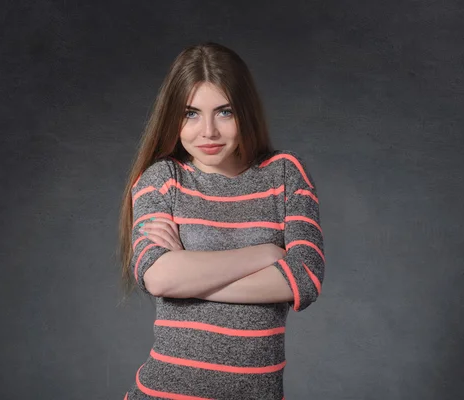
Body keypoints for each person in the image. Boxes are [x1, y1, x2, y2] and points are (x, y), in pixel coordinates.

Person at [118, 42, 325, 400]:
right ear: (173, 117)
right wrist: (265, 255)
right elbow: (158, 276)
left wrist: (188, 277)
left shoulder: (285, 173)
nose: (208, 131)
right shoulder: (162, 179)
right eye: (191, 113)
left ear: (245, 111)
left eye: (225, 112)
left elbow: (305, 278)